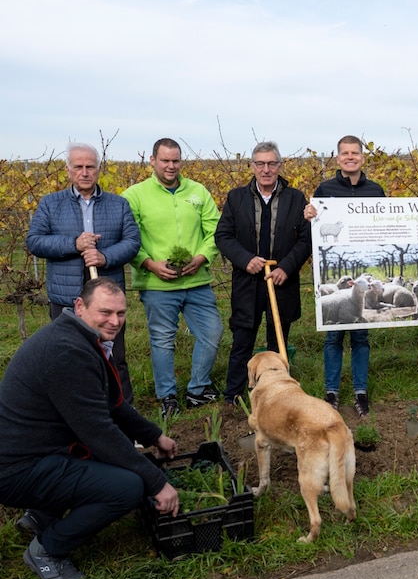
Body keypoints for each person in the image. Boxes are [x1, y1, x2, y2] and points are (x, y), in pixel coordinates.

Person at [0, 278, 179, 579]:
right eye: (106, 312)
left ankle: (40, 516)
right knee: (127, 487)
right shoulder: (67, 352)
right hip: (16, 469)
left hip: (33, 452)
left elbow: (110, 402)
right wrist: (156, 482)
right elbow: (98, 431)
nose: (115, 321)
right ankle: (47, 550)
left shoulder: (76, 336)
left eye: (121, 313)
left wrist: (154, 436)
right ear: (80, 306)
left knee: (113, 463)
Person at [26, 142, 141, 403]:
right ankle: (73, 413)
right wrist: (73, 244)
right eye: (79, 167)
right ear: (68, 170)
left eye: (90, 166)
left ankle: (123, 415)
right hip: (65, 297)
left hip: (106, 297)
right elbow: (34, 241)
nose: (85, 172)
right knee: (65, 357)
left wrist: (104, 256)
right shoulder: (50, 204)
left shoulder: (118, 204)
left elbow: (133, 242)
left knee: (114, 356)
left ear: (99, 170)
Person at [123, 138, 224, 418]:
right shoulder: (135, 195)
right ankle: (167, 396)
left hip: (197, 281)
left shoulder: (198, 191)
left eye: (175, 160)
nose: (171, 166)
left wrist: (202, 258)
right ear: (152, 161)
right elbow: (128, 237)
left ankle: (198, 389)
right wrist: (150, 264)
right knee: (162, 340)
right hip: (157, 284)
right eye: (165, 160)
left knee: (212, 332)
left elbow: (215, 230)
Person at [215, 141, 312, 405]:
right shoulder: (237, 198)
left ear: (280, 166)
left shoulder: (296, 198)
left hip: (281, 281)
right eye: (260, 164)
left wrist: (286, 267)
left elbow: (305, 239)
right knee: (243, 338)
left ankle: (278, 394)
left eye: (271, 163)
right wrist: (246, 260)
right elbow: (223, 236)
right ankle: (234, 395)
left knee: (277, 339)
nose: (266, 169)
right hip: (247, 282)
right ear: (252, 166)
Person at [303, 135, 386, 417]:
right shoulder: (325, 189)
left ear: (362, 158)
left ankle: (360, 392)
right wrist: (310, 215)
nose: (350, 157)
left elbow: (386, 226)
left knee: (361, 336)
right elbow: (314, 228)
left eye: (355, 153)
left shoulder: (376, 191)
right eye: (345, 154)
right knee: (333, 336)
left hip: (362, 266)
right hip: (336, 269)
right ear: (338, 158)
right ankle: (331, 392)